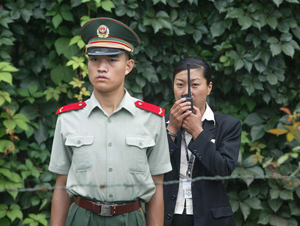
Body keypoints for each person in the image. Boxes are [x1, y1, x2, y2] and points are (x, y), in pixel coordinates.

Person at [48, 17, 172, 226]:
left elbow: (157, 186)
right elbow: (61, 186)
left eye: (112, 60)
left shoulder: (151, 119)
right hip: (81, 218)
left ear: (128, 66)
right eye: (94, 60)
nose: (101, 68)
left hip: (130, 218)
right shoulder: (69, 118)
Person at [163, 57, 241, 226]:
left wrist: (198, 132)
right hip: (168, 214)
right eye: (180, 84)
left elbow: (223, 170)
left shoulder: (227, 125)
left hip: (211, 217)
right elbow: (153, 167)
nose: (186, 92)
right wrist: (172, 130)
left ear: (209, 87)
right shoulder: (160, 122)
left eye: (195, 85)